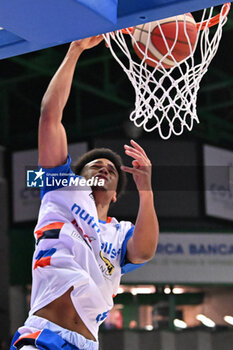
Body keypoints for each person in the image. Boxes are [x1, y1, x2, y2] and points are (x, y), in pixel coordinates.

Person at [11, 36, 159, 350]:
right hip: (43, 336)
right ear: (79, 177)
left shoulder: (120, 235)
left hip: (86, 344)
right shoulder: (61, 187)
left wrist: (147, 192)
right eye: (95, 165)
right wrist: (75, 50)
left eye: (111, 169)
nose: (104, 168)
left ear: (116, 194)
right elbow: (50, 116)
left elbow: (145, 252)